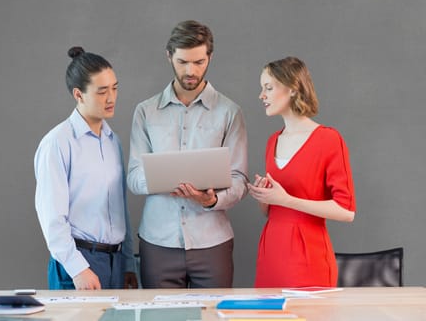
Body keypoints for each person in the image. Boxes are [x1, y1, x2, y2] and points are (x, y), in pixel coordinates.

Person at [127, 20, 248, 288]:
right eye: (182, 62)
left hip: (212, 241)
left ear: (210, 57)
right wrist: (165, 180)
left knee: (213, 317)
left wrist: (211, 199)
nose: (190, 71)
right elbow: (134, 178)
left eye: (198, 62)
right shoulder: (146, 112)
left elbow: (239, 180)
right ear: (169, 56)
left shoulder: (230, 112)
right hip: (158, 242)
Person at [34, 46, 137, 290]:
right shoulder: (58, 142)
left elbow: (120, 208)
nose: (111, 98)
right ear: (78, 95)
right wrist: (78, 269)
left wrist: (128, 262)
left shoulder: (113, 141)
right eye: (102, 92)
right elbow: (52, 216)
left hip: (115, 262)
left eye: (115, 88)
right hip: (78, 262)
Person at [248, 56, 356, 287]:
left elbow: (346, 211)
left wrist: (286, 199)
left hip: (308, 254)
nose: (261, 95)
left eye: (268, 88)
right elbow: (271, 211)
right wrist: (264, 195)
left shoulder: (328, 139)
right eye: (262, 88)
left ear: (293, 89)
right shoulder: (272, 141)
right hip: (271, 251)